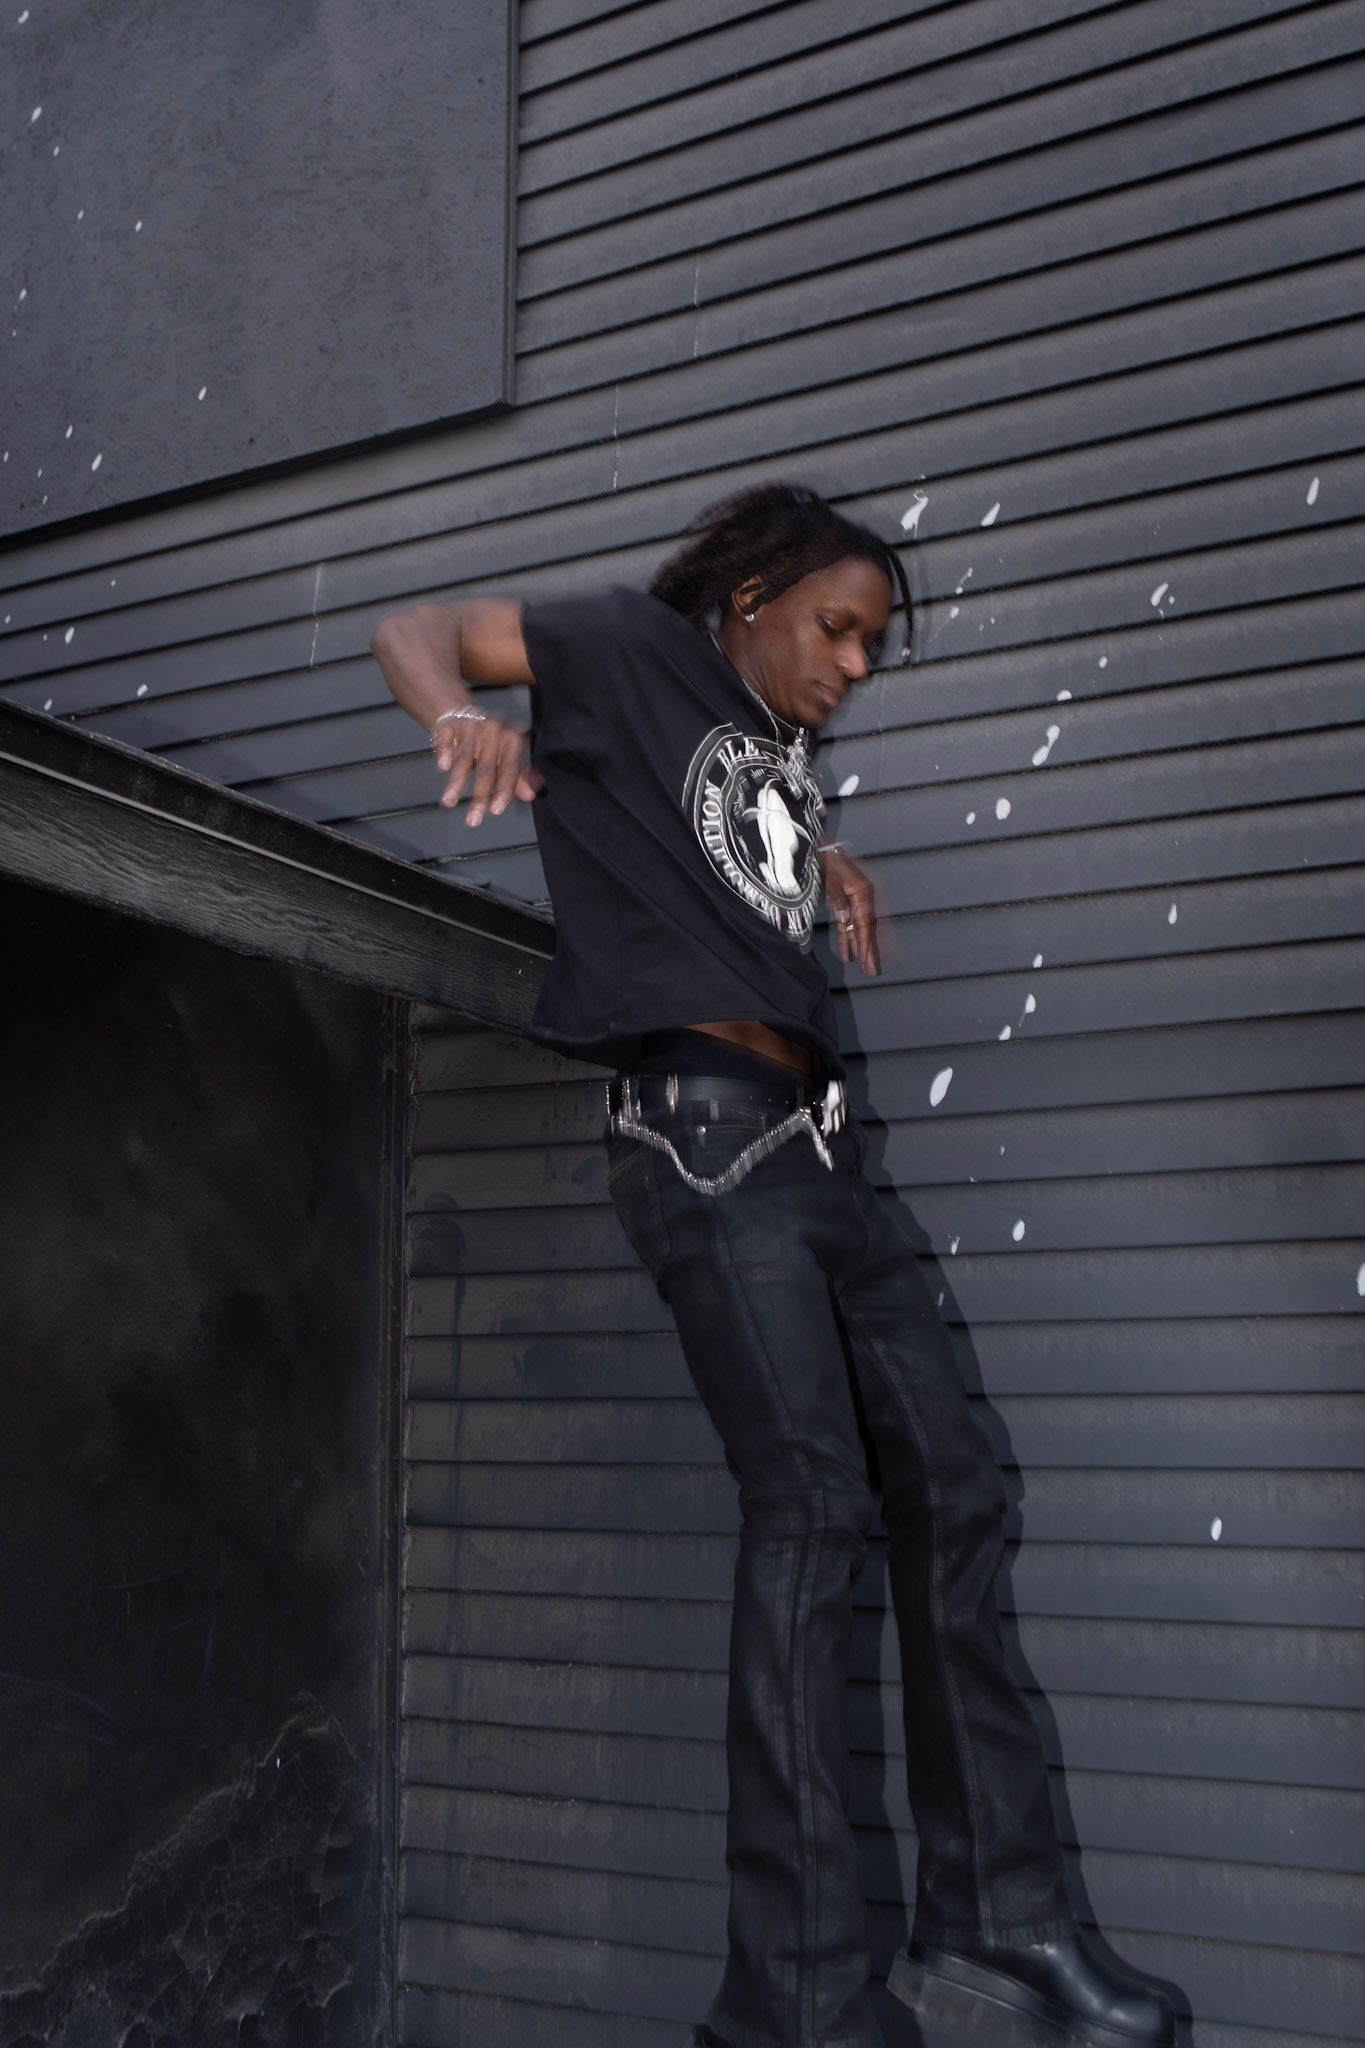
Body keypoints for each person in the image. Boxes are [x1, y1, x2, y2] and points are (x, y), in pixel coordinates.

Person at [372, 484, 1175, 2048]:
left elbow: (717, 840)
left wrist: (827, 851)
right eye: (840, 628)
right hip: (704, 1142)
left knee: (960, 1489)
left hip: (816, 1154)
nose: (856, 664)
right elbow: (411, 627)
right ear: (751, 591)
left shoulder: (772, 750)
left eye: (872, 644)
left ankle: (998, 1935)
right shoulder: (618, 644)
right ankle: (796, 1999)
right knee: (812, 1514)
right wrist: (456, 713)